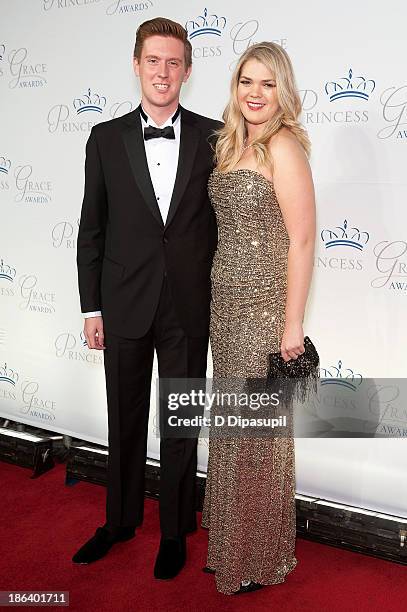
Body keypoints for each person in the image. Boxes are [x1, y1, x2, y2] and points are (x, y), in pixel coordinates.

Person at [73, 17, 221, 579]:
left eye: (174, 62)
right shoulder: (105, 138)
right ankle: (119, 521)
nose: (163, 72)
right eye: (153, 61)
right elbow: (93, 227)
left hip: (188, 305)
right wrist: (92, 307)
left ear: (187, 69)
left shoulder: (215, 135)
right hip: (124, 302)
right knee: (125, 417)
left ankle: (177, 529)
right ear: (136, 64)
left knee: (180, 422)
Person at [201, 42, 316, 594]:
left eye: (268, 84)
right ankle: (229, 542)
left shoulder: (283, 147)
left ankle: (258, 555)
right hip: (225, 308)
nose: (255, 93)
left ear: (282, 91)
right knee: (231, 427)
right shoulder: (229, 147)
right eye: (247, 81)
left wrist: (292, 324)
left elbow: (301, 239)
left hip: (265, 311)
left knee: (258, 435)